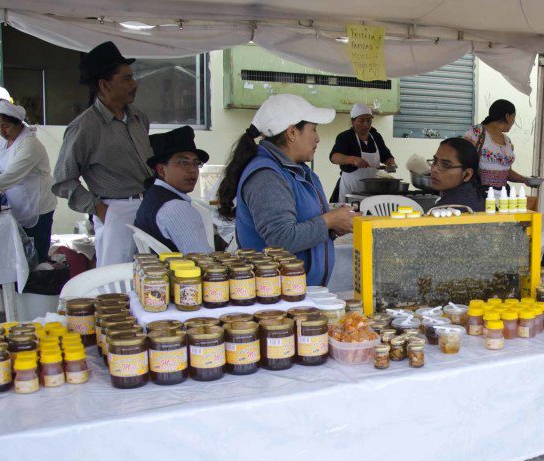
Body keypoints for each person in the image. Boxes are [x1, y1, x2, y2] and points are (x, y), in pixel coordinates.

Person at [216, 94, 357, 287]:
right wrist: (329, 220)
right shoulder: (266, 176)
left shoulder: (296, 169)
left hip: (300, 292)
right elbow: (282, 239)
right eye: (313, 130)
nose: (318, 138)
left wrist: (334, 225)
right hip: (277, 296)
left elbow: (305, 225)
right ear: (292, 133)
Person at [52, 41, 154, 267]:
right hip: (115, 209)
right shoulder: (86, 126)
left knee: (150, 277)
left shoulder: (138, 117)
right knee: (114, 279)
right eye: (126, 78)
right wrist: (99, 208)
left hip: (149, 205)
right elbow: (62, 181)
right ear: (104, 85)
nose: (134, 84)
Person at [0, 100, 58, 262]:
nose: (1, 131)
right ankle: (20, 286)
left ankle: (38, 285)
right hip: (17, 203)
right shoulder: (2, 141)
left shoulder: (30, 144)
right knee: (19, 255)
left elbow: (12, 174)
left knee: (36, 255)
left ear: (18, 124)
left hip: (38, 205)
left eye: (5, 126)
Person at [133, 126, 213, 254]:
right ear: (161, 170)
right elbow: (202, 258)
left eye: (196, 163)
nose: (192, 169)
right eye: (183, 162)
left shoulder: (152, 195)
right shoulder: (176, 207)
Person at [328, 103, 396, 201]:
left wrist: (391, 164)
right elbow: (334, 157)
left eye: (369, 120)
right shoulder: (345, 137)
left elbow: (386, 156)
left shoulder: (376, 136)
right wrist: (353, 159)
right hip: (350, 190)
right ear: (353, 121)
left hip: (371, 190)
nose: (366, 124)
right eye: (361, 120)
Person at [463, 99, 533, 190]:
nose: (513, 122)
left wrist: (524, 180)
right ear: (507, 116)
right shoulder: (476, 133)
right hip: (478, 193)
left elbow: (507, 172)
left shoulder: (508, 141)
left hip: (501, 195)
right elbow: (462, 162)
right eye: (513, 117)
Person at [430, 137, 485, 212]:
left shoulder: (448, 209)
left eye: (446, 164)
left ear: (467, 174)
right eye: (435, 161)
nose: (434, 169)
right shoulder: (476, 194)